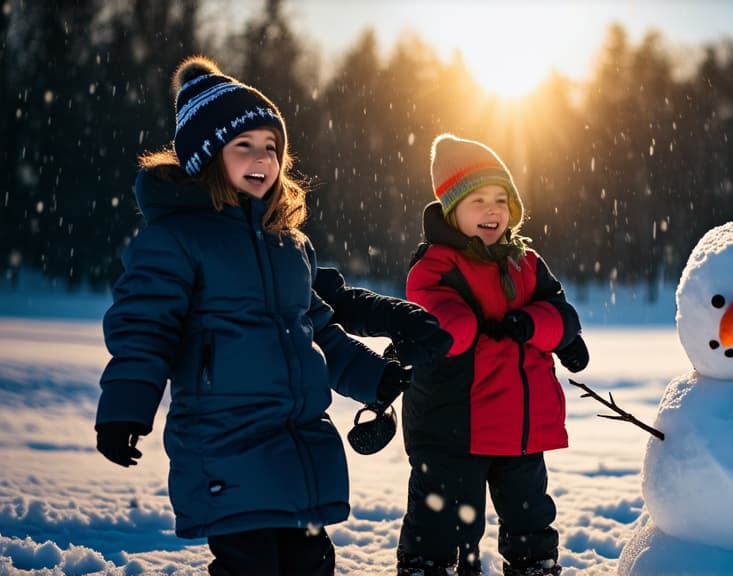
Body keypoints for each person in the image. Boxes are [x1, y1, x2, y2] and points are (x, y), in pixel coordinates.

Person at [94, 55, 411, 576]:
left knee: (311, 563)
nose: (262, 157)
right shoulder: (176, 240)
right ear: (206, 158)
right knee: (251, 565)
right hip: (224, 443)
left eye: (271, 147)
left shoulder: (292, 245)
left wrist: (373, 377)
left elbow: (318, 333)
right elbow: (145, 328)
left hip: (301, 443)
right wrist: (125, 408)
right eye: (244, 146)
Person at [396, 134, 590, 576]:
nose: (492, 210)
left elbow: (559, 309)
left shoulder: (526, 261)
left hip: (517, 425)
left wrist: (545, 330)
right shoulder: (435, 264)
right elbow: (438, 319)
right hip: (454, 423)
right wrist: (473, 325)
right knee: (444, 515)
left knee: (530, 512)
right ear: (452, 210)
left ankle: (534, 564)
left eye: (501, 199)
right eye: (478, 199)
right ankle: (428, 565)